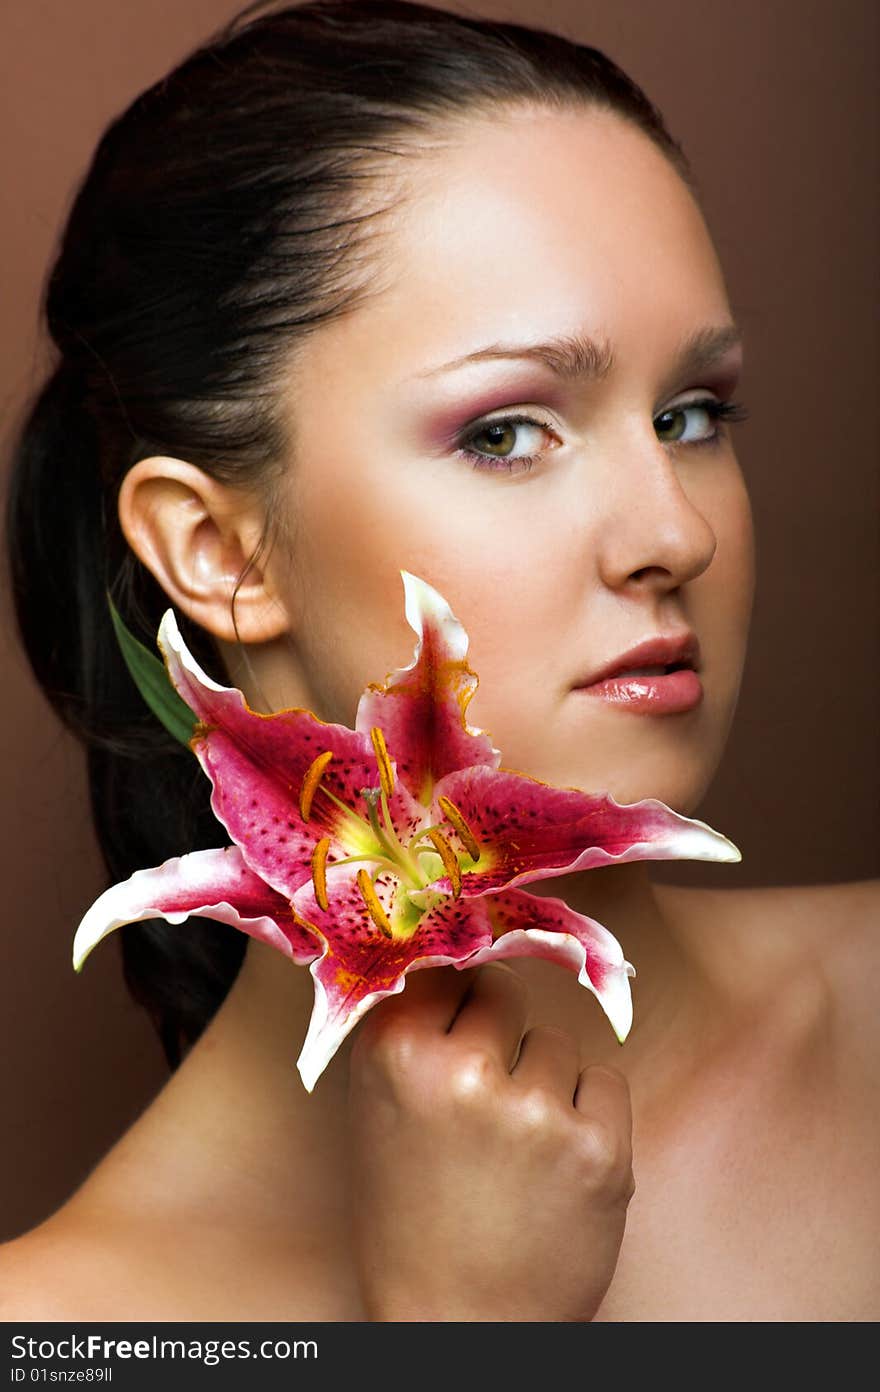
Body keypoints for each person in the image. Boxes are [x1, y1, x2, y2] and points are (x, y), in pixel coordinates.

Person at [2, 0, 877, 1322]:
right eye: (505, 434)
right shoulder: (70, 1330)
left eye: (691, 414)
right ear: (218, 552)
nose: (677, 531)